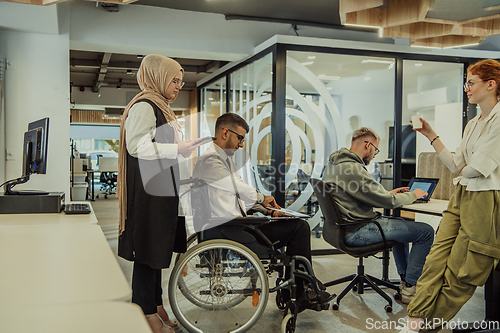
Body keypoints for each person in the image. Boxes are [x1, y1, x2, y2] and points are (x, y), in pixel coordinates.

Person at [192, 112, 333, 310]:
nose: (241, 144)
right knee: (299, 229)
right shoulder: (210, 161)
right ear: (225, 133)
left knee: (296, 226)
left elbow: (238, 197)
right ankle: (301, 290)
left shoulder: (223, 160)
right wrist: (262, 198)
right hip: (230, 231)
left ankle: (298, 289)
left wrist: (268, 211)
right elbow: (238, 189)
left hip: (236, 227)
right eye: (240, 138)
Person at [399, 59, 500, 333]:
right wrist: (430, 133)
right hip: (463, 193)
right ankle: (416, 317)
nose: (466, 88)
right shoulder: (474, 123)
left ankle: (428, 325)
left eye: (471, 82)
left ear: (491, 84)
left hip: (485, 199)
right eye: (466, 82)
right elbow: (459, 166)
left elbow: (478, 169)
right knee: (435, 259)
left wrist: (466, 168)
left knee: (462, 270)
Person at [117, 54, 202, 333]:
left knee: (156, 250)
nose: (178, 86)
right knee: (147, 252)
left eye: (180, 81)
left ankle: (155, 305)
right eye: (173, 80)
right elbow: (137, 147)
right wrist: (178, 149)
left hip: (160, 190)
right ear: (157, 78)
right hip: (148, 193)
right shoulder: (145, 106)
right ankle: (146, 313)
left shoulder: (161, 107)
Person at [322, 127, 434, 304]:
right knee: (426, 231)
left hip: (343, 228)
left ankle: (406, 281)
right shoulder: (353, 169)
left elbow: (359, 194)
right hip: (357, 230)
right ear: (368, 145)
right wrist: (415, 195)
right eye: (376, 150)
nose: (375, 155)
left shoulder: (334, 164)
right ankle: (411, 288)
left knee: (402, 226)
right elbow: (388, 202)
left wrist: (389, 193)